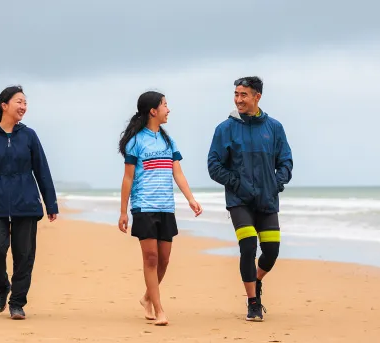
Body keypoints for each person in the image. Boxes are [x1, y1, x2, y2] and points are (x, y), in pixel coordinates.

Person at [207, 76, 293, 322]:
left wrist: (275, 184)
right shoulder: (225, 129)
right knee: (247, 247)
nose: (238, 99)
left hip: (267, 200)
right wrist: (236, 183)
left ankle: (256, 281)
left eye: (244, 95)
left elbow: (286, 161)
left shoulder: (274, 128)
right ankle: (253, 302)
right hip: (239, 201)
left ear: (257, 97)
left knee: (272, 252)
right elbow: (214, 165)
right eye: (236, 94)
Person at [0, 85, 59, 320]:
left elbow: (42, 170)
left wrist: (51, 204)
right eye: (19, 102)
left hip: (26, 202)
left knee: (24, 255)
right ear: (4, 105)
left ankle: (17, 303)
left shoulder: (29, 135)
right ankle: (2, 285)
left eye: (25, 103)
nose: (23, 107)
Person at [117, 91, 203, 326]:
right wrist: (124, 211)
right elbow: (128, 179)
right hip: (143, 206)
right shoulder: (136, 142)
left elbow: (178, 173)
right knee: (151, 258)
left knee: (164, 260)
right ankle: (159, 309)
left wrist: (191, 199)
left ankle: (147, 298)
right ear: (153, 111)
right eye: (165, 105)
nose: (168, 109)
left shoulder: (168, 141)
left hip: (166, 207)